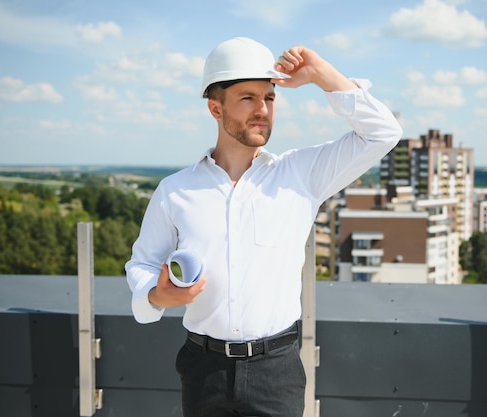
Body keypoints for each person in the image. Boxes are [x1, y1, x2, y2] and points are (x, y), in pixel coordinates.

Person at [125, 36, 402, 417]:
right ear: (214, 108)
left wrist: (323, 74)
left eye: (269, 98)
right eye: (247, 98)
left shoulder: (302, 174)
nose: (263, 110)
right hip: (202, 369)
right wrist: (157, 297)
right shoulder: (175, 191)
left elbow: (383, 133)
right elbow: (141, 266)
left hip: (277, 372)